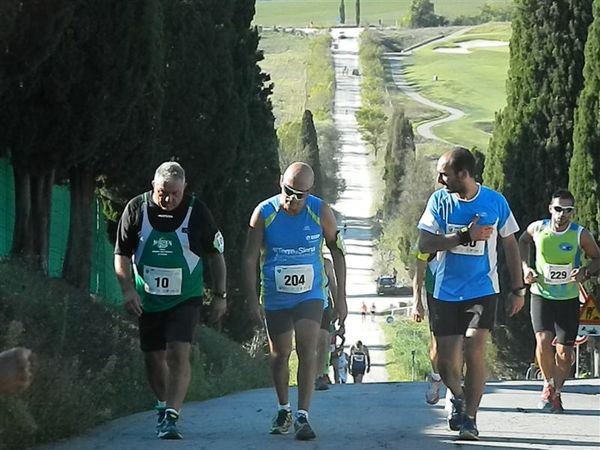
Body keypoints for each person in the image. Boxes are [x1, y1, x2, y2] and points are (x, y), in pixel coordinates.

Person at [417, 147, 524, 440]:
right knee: (445, 361)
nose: (440, 180)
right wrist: (465, 235)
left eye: (445, 174)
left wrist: (518, 289)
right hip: (445, 292)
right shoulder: (440, 201)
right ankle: (459, 397)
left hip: (482, 290)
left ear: (463, 174)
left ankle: (470, 420)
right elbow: (425, 244)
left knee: (474, 350)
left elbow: (511, 246)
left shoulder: (494, 202)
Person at [114, 161, 227, 440]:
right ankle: (164, 407)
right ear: (153, 185)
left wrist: (221, 296)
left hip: (185, 298)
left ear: (184, 188)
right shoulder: (136, 209)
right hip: (148, 300)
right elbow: (122, 255)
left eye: (175, 193)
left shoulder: (197, 211)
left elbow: (216, 255)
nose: (169, 199)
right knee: (153, 358)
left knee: (178, 351)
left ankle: (173, 416)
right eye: (163, 192)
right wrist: (128, 289)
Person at [243, 162, 347, 441]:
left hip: (310, 293)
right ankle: (283, 408)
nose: (293, 199)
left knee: (307, 347)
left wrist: (342, 299)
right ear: (280, 183)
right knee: (280, 354)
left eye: (301, 194)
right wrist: (252, 300)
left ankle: (303, 415)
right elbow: (250, 258)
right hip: (275, 295)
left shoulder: (320, 211)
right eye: (289, 191)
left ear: (310, 191)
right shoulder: (263, 213)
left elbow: (338, 253)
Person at [519, 189, 600, 413]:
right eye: (558, 209)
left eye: (567, 211)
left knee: (565, 354)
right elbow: (522, 241)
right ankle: (548, 385)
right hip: (541, 294)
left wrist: (585, 271)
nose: (562, 214)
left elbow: (597, 258)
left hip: (568, 298)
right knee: (543, 341)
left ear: (572, 213)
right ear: (550, 209)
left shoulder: (579, 234)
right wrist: (526, 268)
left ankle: (556, 391)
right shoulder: (538, 228)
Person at [412, 248, 442, 405]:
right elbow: (419, 271)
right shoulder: (429, 235)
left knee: (463, 343)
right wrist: (417, 303)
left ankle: (455, 389)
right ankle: (436, 377)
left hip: (463, 292)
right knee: (437, 345)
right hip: (436, 295)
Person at [315, 257, 347, 391]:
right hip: (303, 306)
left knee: (324, 339)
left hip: (323, 305)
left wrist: (338, 305)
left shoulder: (326, 263)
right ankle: (307, 373)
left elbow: (333, 285)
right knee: (307, 343)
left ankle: (320, 375)